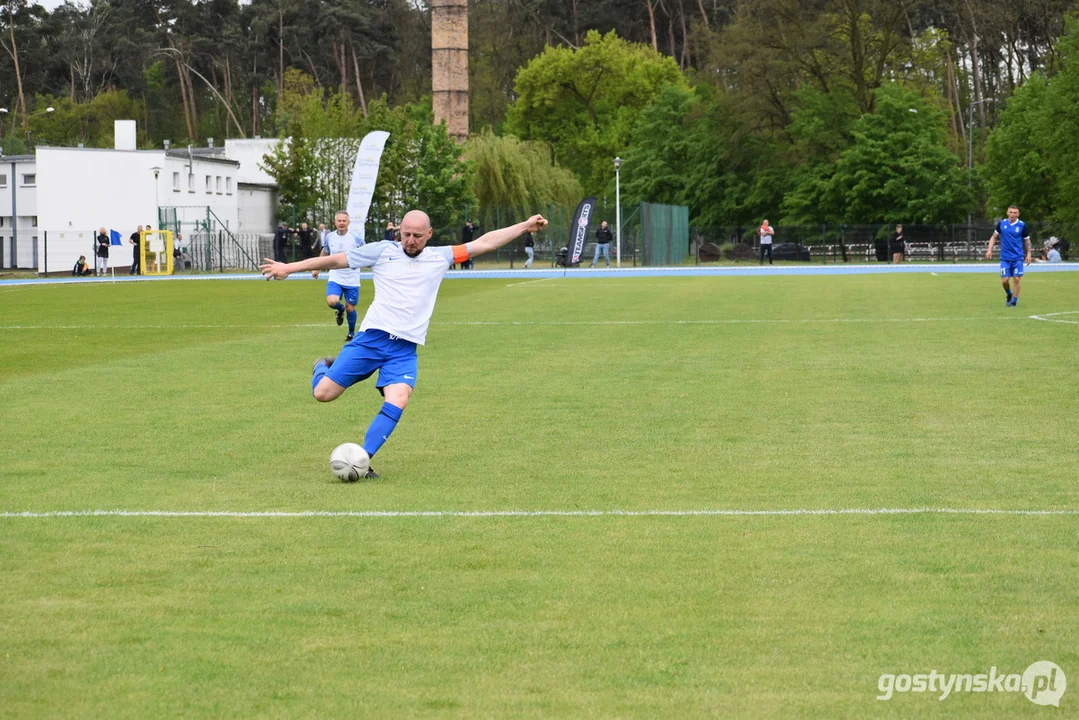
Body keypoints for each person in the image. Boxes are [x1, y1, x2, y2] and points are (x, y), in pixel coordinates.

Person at [260, 210, 548, 479]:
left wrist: (524, 226)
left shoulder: (441, 256)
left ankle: (362, 460)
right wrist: (290, 267)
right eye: (406, 234)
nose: (410, 240)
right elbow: (335, 260)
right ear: (399, 231)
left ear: (429, 234)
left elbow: (484, 243)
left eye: (417, 236)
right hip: (372, 340)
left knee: (398, 399)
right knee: (323, 394)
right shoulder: (382, 251)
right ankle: (321, 366)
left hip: (404, 350)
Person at [311, 210, 365, 341]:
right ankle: (340, 310)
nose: (341, 223)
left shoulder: (356, 238)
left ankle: (351, 333)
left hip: (352, 278)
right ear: (335, 222)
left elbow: (366, 252)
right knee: (332, 301)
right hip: (336, 276)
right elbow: (325, 251)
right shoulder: (330, 237)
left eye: (344, 221)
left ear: (348, 222)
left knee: (350, 307)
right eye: (339, 221)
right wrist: (317, 268)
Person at [985, 205, 1032, 307]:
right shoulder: (1002, 224)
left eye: (1015, 213)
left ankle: (1014, 301)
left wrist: (1029, 253)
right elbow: (993, 237)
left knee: (1016, 279)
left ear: (1018, 214)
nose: (1013, 214)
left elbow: (1027, 241)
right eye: (1011, 212)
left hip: (1018, 257)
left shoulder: (1022, 225)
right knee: (1005, 280)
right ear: (1007, 213)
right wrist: (989, 250)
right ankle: (1009, 294)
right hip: (1005, 258)